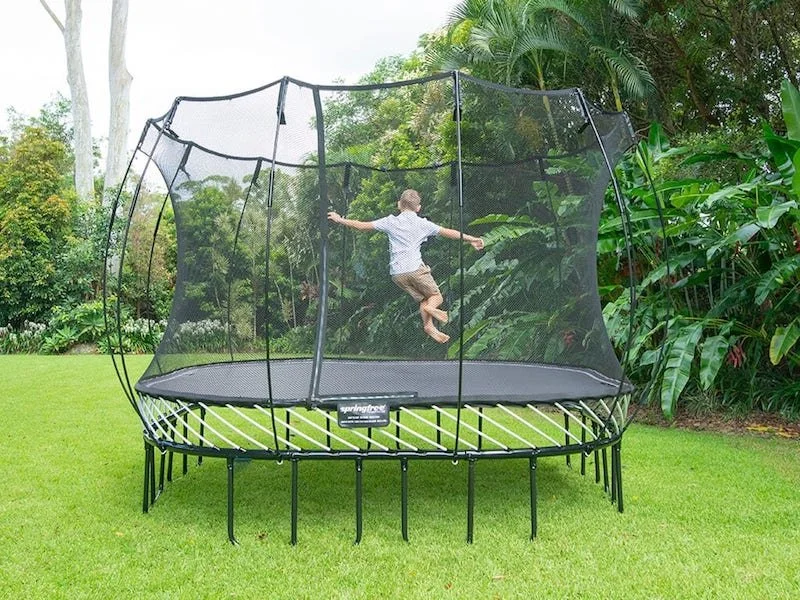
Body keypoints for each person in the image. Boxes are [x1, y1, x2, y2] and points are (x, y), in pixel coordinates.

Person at [327, 189, 485, 343]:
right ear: (418, 208)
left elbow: (361, 226)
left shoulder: (390, 221)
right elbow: (448, 232)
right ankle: (431, 309)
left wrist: (339, 219)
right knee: (436, 297)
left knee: (424, 299)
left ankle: (428, 326)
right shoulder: (423, 224)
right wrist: (471, 239)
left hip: (397, 274)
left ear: (398, 205)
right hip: (415, 269)